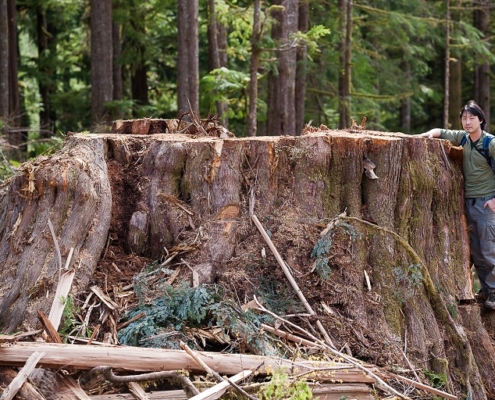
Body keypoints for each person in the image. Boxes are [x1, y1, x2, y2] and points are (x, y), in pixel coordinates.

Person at [420, 100, 495, 309]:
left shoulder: (490, 143)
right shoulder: (463, 138)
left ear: (481, 119)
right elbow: (440, 131)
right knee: (477, 251)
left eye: (472, 118)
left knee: (489, 248)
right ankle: (487, 290)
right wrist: (426, 135)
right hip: (469, 203)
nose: (467, 122)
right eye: (464, 118)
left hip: (486, 204)